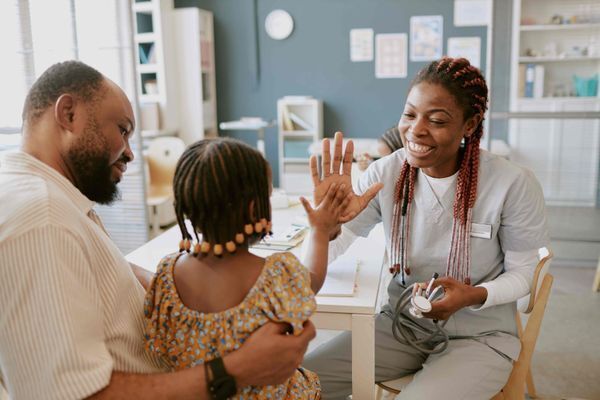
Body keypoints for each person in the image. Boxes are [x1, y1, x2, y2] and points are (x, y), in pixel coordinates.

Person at [0, 61, 316, 400]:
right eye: (122, 129)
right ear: (69, 114)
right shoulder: (42, 218)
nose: (131, 153)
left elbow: (89, 274)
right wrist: (236, 369)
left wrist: (177, 287)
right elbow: (70, 394)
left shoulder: (49, 199)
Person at [302, 57, 549, 399]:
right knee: (292, 383)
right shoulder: (385, 174)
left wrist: (474, 295)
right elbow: (337, 245)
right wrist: (324, 228)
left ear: (470, 124)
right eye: (409, 115)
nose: (416, 130)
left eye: (436, 120)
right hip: (401, 328)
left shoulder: (512, 183)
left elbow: (524, 276)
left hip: (479, 338)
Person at [143, 137, 351, 399]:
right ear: (255, 208)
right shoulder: (275, 275)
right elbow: (313, 281)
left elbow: (158, 344)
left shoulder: (166, 273)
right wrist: (320, 230)